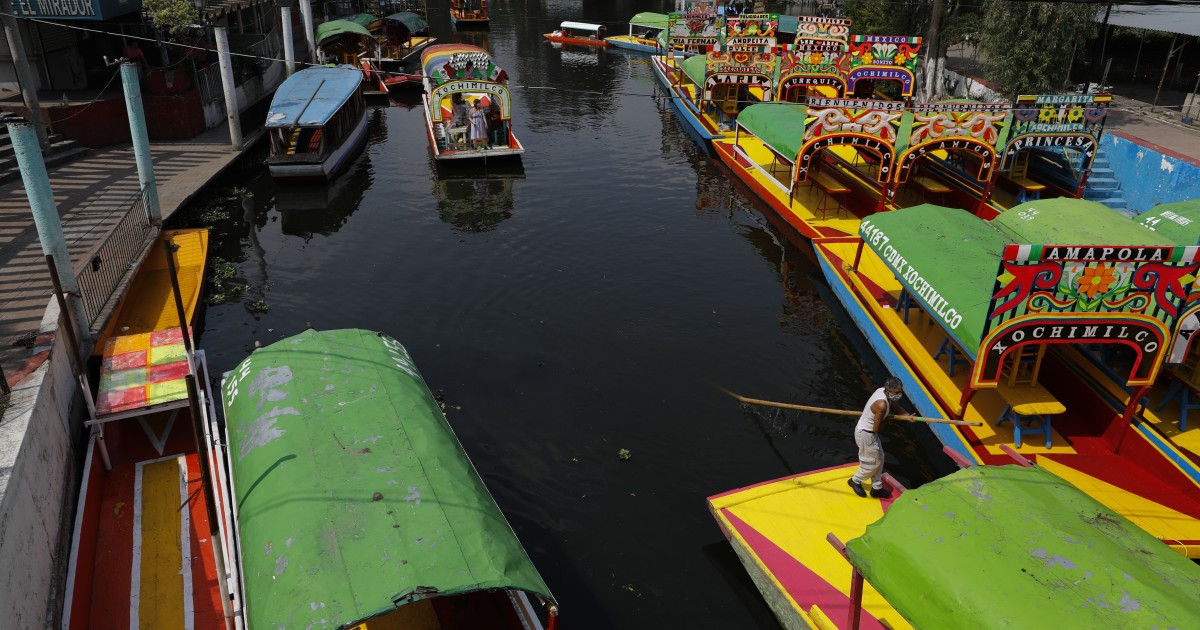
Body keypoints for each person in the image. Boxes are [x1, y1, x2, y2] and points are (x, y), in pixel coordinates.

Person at [848, 377, 908, 499]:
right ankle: (855, 480)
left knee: (880, 458)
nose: (899, 395)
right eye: (896, 393)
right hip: (866, 434)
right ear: (889, 391)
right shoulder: (881, 405)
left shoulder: (883, 391)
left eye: (900, 392)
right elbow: (877, 429)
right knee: (872, 463)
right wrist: (888, 419)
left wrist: (906, 416)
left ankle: (877, 488)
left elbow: (894, 406)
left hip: (870, 434)